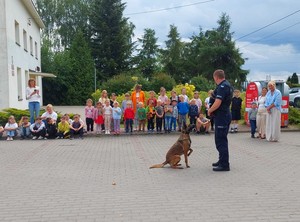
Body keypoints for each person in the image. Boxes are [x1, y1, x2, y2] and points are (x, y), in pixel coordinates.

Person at [208, 69, 233, 172]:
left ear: (216, 77)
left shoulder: (223, 86)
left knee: (221, 140)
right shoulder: (226, 84)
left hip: (222, 116)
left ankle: (224, 165)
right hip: (223, 115)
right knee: (220, 139)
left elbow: (218, 102)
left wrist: (210, 110)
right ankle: (221, 160)